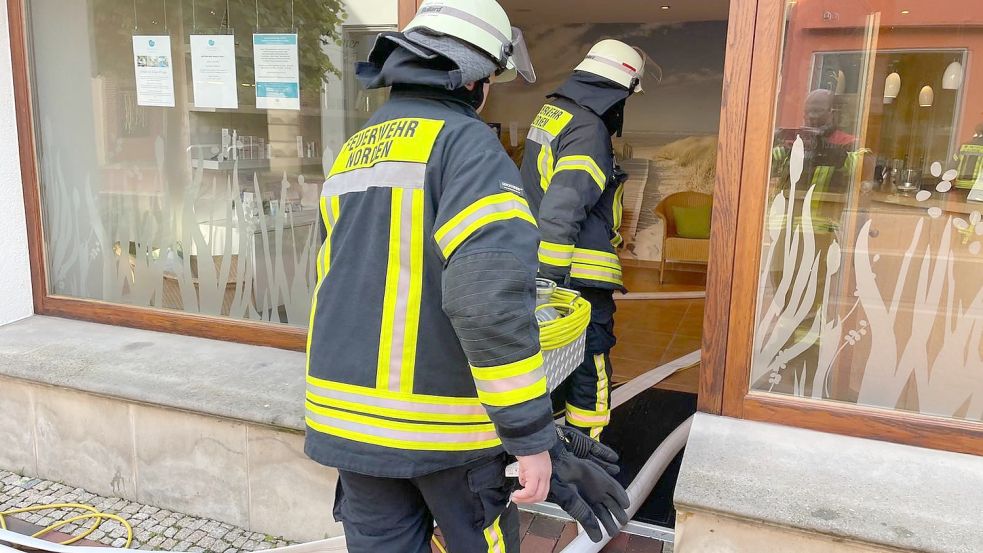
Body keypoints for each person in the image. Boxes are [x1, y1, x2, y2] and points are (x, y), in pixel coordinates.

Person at [304, 1, 629, 552]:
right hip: (441, 430)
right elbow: (488, 301)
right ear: (477, 80)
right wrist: (532, 439)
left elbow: (333, 278)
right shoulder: (467, 146)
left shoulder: (355, 151)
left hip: (346, 423)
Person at [519, 39, 644, 441]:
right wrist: (551, 283)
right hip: (577, 278)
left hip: (544, 267)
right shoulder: (589, 129)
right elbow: (563, 207)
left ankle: (549, 442)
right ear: (620, 90)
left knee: (555, 360)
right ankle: (587, 449)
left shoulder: (553, 113)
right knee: (592, 362)